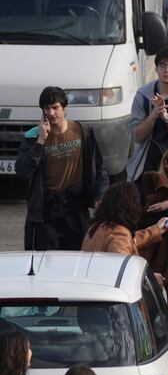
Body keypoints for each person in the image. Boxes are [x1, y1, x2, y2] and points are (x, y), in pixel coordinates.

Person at [18, 86, 108, 251]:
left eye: (55, 107)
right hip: (47, 211)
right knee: (45, 263)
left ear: (65, 108)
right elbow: (22, 170)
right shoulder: (33, 137)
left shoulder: (83, 132)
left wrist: (100, 196)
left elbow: (100, 167)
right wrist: (40, 142)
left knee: (79, 260)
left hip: (76, 208)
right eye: (46, 108)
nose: (51, 113)